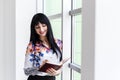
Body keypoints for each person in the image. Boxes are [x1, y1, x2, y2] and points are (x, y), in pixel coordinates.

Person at [24, 13, 63, 80]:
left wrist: (57, 72)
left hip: (52, 78)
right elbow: (26, 71)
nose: (41, 30)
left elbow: (60, 65)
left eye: (43, 25)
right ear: (34, 29)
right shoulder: (32, 45)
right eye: (37, 27)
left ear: (48, 25)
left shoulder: (58, 43)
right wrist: (40, 67)